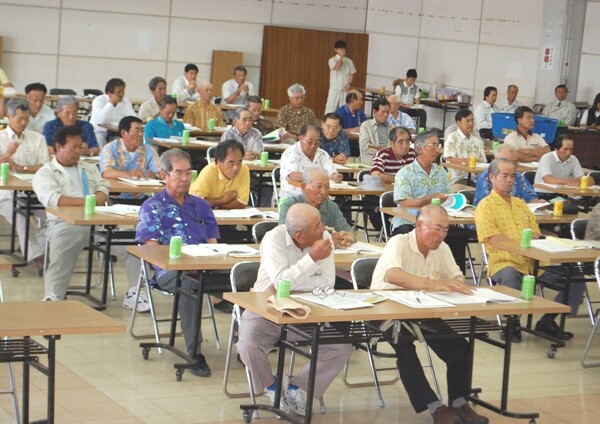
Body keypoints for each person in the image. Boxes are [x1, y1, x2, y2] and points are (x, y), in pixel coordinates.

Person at [371, 205, 489, 424]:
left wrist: (456, 285)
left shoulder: (442, 248)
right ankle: (435, 407)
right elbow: (393, 275)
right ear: (419, 226)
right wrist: (435, 284)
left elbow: (455, 276)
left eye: (445, 229)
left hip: (422, 309)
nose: (441, 235)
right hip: (386, 309)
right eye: (436, 229)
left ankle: (459, 403)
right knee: (405, 348)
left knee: (459, 346)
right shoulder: (399, 242)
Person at [237, 203, 353, 416]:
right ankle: (272, 386)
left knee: (341, 348)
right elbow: (280, 282)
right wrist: (311, 260)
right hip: (266, 308)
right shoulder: (274, 239)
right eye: (317, 225)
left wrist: (287, 283)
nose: (324, 228)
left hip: (307, 311)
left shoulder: (324, 238)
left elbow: (326, 283)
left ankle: (296, 387)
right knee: (247, 346)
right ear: (299, 235)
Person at [475, 158, 584, 341]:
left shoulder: (520, 204)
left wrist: (542, 241)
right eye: (505, 176)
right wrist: (522, 246)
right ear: (492, 177)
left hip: (534, 261)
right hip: (505, 260)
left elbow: (535, 233)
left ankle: (547, 321)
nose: (509, 180)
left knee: (574, 276)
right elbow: (494, 238)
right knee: (511, 276)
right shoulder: (485, 206)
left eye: (513, 176)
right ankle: (512, 322)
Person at [136, 149, 219, 377]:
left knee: (241, 277)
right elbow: (151, 250)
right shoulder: (152, 206)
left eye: (188, 173)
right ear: (164, 176)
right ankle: (195, 352)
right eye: (179, 173)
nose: (185, 178)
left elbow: (213, 244)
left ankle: (247, 345)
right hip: (169, 272)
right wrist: (183, 264)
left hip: (203, 267)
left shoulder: (201, 206)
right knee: (189, 283)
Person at [32, 126, 110, 301]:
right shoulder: (45, 173)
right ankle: (53, 297)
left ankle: (135, 292)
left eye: (80, 147)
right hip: (64, 223)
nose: (78, 151)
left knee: (133, 245)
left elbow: (103, 188)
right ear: (59, 147)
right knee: (62, 252)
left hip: (98, 222)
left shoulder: (89, 168)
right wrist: (89, 201)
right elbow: (55, 200)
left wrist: (97, 198)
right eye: (73, 147)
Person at [0, 99, 49, 272]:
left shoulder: (37, 138)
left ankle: (40, 247)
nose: (23, 123)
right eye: (19, 118)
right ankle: (38, 257)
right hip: (6, 195)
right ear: (9, 117)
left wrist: (22, 168)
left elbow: (45, 166)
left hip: (34, 191)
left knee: (55, 215)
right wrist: (7, 154)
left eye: (26, 118)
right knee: (20, 217)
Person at [279, 167, 354, 249]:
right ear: (304, 187)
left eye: (327, 187)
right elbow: (286, 236)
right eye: (318, 187)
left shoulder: (331, 207)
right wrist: (328, 239)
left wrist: (346, 239)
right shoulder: (289, 205)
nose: (323, 192)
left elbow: (349, 232)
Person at [364, 126, 415, 232]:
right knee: (377, 214)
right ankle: (391, 234)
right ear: (392, 143)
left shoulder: (412, 154)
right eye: (401, 142)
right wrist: (400, 179)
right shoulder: (383, 154)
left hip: (405, 198)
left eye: (408, 142)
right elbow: (376, 175)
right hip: (381, 197)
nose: (405, 146)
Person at [100, 115, 160, 201]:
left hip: (141, 198)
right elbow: (106, 172)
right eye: (137, 131)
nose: (141, 134)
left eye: (142, 131)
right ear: (124, 133)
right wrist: (129, 174)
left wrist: (154, 175)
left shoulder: (148, 150)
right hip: (115, 198)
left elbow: (160, 172)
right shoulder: (110, 148)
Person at [279, 124, 342, 198]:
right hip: (293, 198)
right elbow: (293, 175)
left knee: (334, 205)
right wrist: (314, 178)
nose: (313, 145)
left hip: (319, 198)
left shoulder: (322, 154)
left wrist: (335, 176)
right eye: (309, 142)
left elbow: (330, 171)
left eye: (317, 142)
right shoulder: (291, 153)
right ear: (301, 138)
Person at [189, 139, 250, 209]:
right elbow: (195, 202)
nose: (236, 168)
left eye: (239, 162)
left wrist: (216, 205)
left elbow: (242, 203)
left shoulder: (243, 169)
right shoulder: (209, 172)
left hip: (229, 214)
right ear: (219, 161)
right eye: (231, 163)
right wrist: (223, 200)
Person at [473, 143, 538, 206]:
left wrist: (538, 203)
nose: (513, 166)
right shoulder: (486, 177)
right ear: (496, 161)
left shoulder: (518, 176)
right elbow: (486, 203)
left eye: (516, 162)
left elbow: (531, 197)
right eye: (508, 162)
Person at [442, 109, 487, 184]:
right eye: (467, 121)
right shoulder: (452, 138)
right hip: (458, 178)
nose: (471, 123)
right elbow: (450, 159)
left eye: (472, 120)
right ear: (458, 123)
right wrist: (466, 161)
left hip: (476, 178)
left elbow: (483, 162)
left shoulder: (477, 141)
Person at [90, 78, 136, 148]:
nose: (121, 94)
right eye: (118, 92)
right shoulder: (99, 100)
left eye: (123, 91)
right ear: (109, 93)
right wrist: (110, 103)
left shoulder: (126, 101)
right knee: (101, 144)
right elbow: (99, 121)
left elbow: (133, 118)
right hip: (99, 132)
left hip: (117, 133)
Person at [358, 98, 394, 165]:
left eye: (388, 112)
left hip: (389, 162)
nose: (386, 115)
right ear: (374, 112)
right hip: (372, 162)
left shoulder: (392, 127)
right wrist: (384, 152)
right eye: (383, 112)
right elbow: (365, 146)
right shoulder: (366, 126)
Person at [325, 40, 356, 114]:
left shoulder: (349, 61)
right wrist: (341, 57)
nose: (342, 50)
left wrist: (349, 84)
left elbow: (352, 73)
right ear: (336, 50)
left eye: (343, 49)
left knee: (344, 109)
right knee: (330, 108)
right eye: (340, 49)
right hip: (334, 88)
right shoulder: (332, 60)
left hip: (345, 89)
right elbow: (337, 68)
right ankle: (327, 121)